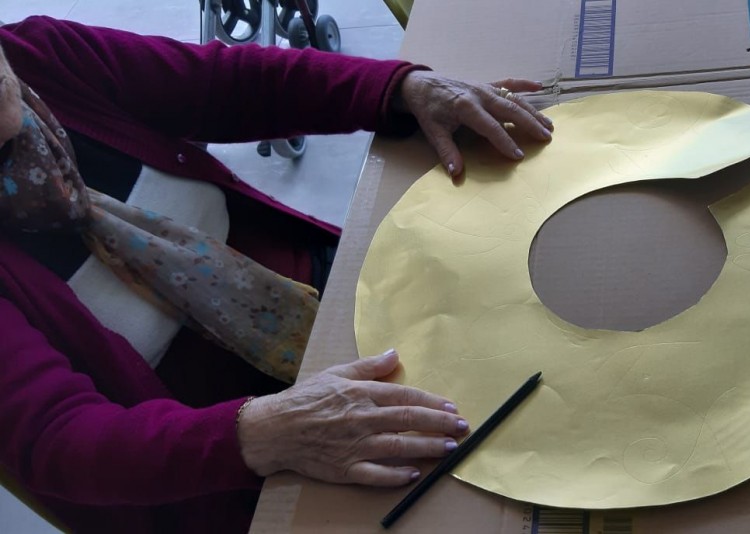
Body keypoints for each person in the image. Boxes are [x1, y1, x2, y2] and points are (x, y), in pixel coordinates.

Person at [0, 15, 553, 533]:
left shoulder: (34, 55)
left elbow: (223, 84)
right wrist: (259, 435)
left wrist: (398, 89)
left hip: (310, 290)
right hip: (217, 452)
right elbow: (60, 439)